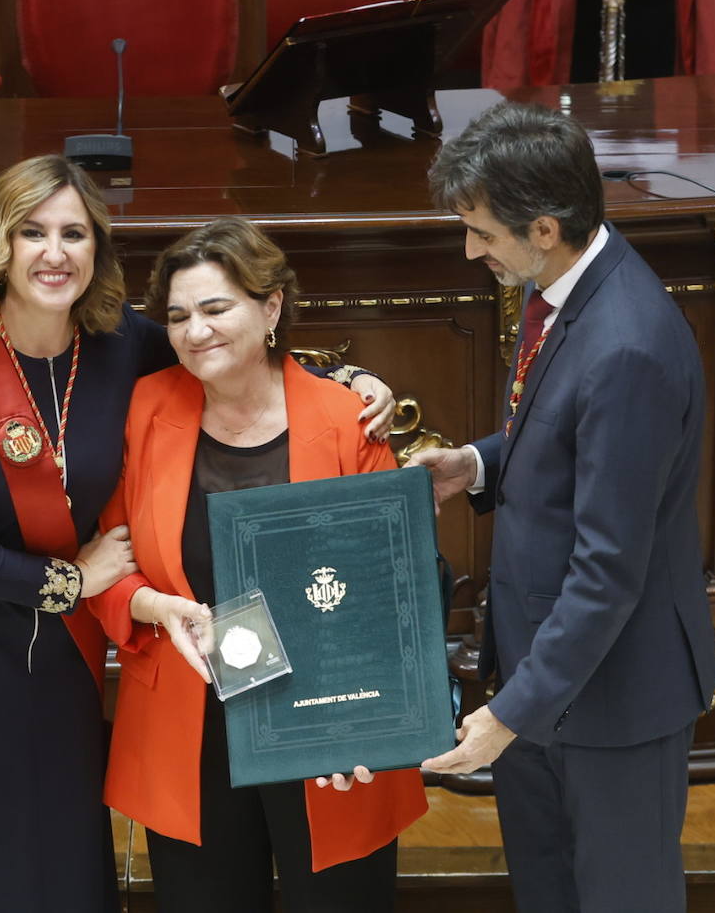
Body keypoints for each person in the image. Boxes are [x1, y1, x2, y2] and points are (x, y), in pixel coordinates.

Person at [0, 157, 395, 912]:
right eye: (32, 232)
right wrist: (76, 582)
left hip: (61, 644)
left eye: (74, 232)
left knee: (58, 829)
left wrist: (356, 379)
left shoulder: (120, 342)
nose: (54, 252)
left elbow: (234, 347)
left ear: (98, 249)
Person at [411, 102, 715, 912]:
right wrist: (477, 464)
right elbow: (564, 437)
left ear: (543, 226)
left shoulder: (628, 346)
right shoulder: (563, 288)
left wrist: (508, 713)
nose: (470, 248)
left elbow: (608, 570)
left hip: (612, 698)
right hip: (550, 681)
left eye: (480, 230)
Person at [73, 216, 427, 913]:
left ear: (271, 308)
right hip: (189, 715)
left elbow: (397, 588)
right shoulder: (144, 409)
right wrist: (149, 604)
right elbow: (110, 564)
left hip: (329, 718)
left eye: (215, 308)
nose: (194, 330)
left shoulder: (347, 415)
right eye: (177, 315)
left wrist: (372, 720)